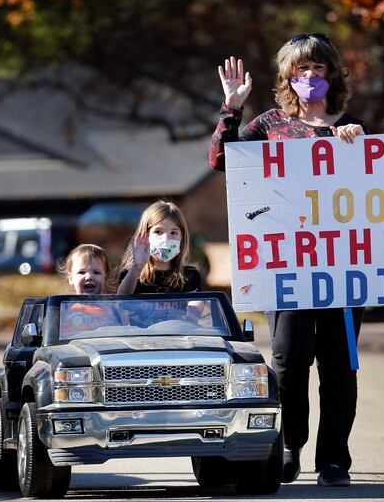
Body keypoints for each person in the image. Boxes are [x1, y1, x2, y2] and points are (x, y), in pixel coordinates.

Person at [209, 33, 368, 487]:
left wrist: (355, 145)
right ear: (288, 77)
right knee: (289, 358)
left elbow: (377, 192)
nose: (311, 77)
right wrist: (231, 108)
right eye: (301, 70)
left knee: (340, 366)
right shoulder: (271, 124)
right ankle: (290, 446)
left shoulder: (352, 127)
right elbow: (222, 160)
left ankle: (334, 458)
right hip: (287, 269)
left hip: (343, 271)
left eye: (318, 69)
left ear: (332, 74)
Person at [116, 200, 201, 294]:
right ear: (145, 235)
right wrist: (137, 267)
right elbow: (122, 299)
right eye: (158, 232)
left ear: (182, 238)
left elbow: (197, 303)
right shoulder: (132, 275)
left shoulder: (190, 275)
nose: (165, 239)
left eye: (173, 233)